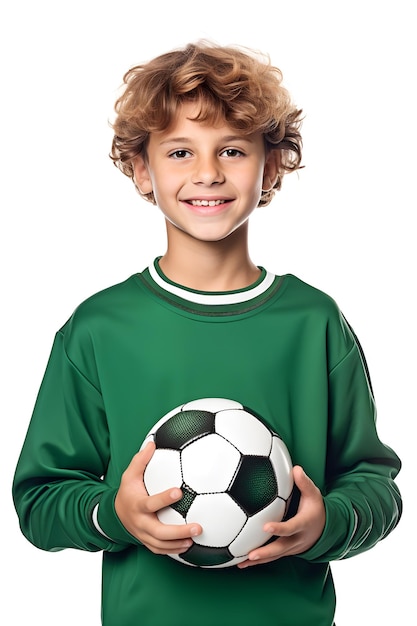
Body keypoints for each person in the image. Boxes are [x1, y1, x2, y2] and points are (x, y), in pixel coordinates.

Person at [12, 41, 402, 626]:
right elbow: (39, 502)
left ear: (270, 165)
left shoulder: (313, 322)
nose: (207, 173)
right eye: (178, 152)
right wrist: (116, 516)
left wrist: (330, 523)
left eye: (232, 150)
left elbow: (376, 486)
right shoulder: (99, 329)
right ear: (141, 168)